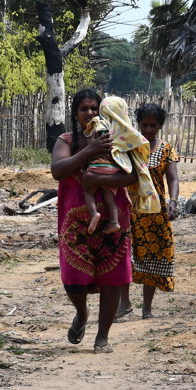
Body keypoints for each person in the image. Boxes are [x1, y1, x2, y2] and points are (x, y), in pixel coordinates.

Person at [51, 89, 137, 353]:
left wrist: (101, 180)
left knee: (113, 276)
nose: (90, 113)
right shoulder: (66, 140)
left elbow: (133, 175)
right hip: (76, 221)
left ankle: (103, 336)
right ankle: (81, 313)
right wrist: (89, 151)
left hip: (113, 218)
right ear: (75, 114)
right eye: (84, 109)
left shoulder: (117, 138)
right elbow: (58, 171)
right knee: (73, 278)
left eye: (94, 108)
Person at [117, 103, 179, 319]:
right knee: (126, 256)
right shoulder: (130, 147)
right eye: (144, 125)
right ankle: (124, 304)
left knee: (152, 256)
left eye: (153, 125)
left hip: (156, 212)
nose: (148, 129)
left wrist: (173, 201)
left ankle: (147, 308)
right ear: (138, 125)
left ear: (160, 126)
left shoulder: (166, 149)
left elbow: (172, 178)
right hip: (129, 209)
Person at [79, 96, 160, 234]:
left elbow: (89, 137)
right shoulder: (124, 130)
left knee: (88, 192)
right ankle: (114, 222)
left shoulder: (99, 123)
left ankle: (93, 215)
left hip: (97, 165)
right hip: (115, 168)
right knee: (109, 197)